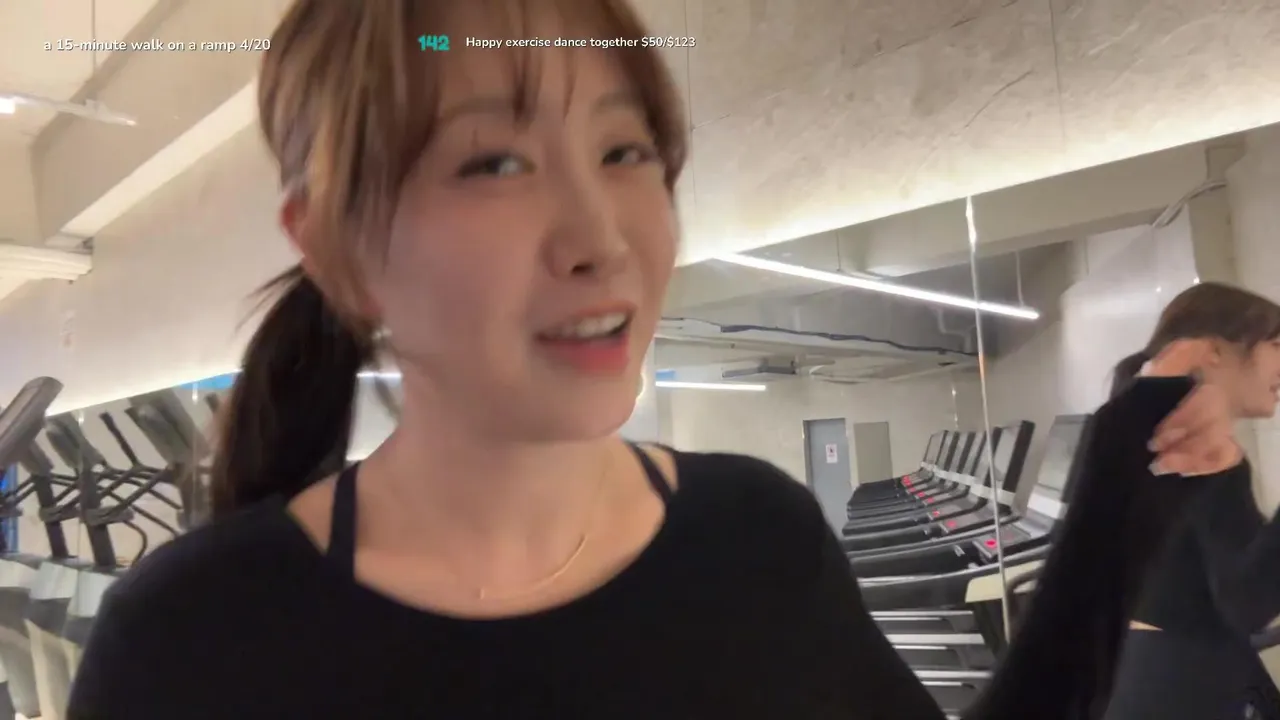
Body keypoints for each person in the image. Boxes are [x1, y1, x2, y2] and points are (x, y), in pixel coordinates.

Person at [66, 1, 1243, 718]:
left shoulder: (755, 536)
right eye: (492, 164)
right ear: (337, 246)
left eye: (624, 152)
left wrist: (1118, 501)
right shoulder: (190, 643)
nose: (601, 237)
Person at [1101, 283, 1280, 720]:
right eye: (1276, 346)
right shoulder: (1196, 447)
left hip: (1144, 670)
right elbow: (1248, 603)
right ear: (1214, 351)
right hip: (1180, 686)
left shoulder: (1153, 424)